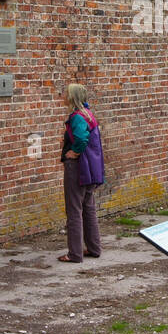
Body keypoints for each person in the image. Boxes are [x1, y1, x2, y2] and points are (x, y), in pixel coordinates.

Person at [58, 83, 104, 263]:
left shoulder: (77, 117)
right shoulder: (88, 114)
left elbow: (82, 138)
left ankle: (75, 254)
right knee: (88, 208)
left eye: (66, 94)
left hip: (78, 168)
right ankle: (94, 248)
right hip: (90, 168)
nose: (63, 96)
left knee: (74, 210)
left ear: (72, 97)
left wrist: (74, 152)